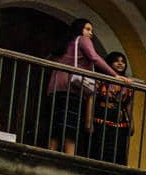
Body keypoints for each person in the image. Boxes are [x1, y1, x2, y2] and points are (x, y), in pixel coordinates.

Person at [46, 18, 113, 155]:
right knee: (71, 127)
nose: (90, 33)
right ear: (79, 29)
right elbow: (94, 57)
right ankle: (69, 158)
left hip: (56, 88)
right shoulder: (82, 40)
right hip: (73, 88)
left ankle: (50, 153)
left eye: (91, 31)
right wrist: (115, 75)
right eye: (87, 29)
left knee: (56, 125)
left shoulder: (65, 44)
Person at [89, 51, 136, 167]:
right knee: (101, 149)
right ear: (109, 63)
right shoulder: (102, 78)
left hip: (120, 122)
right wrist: (88, 120)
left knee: (118, 151)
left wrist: (132, 122)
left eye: (123, 62)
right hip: (102, 118)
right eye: (116, 61)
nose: (120, 64)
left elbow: (129, 104)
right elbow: (92, 98)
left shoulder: (127, 82)